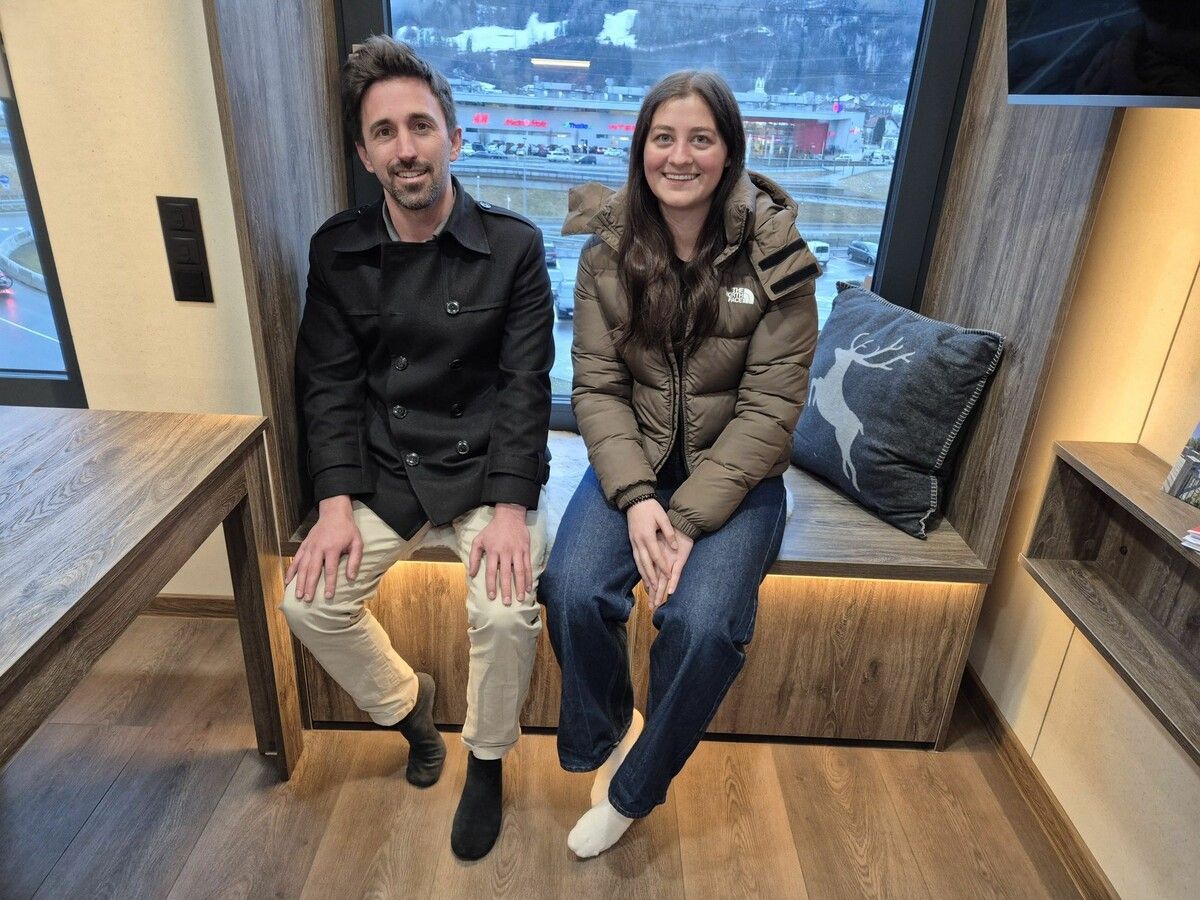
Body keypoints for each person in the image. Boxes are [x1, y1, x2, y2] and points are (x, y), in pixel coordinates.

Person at [282, 36, 554, 861]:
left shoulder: (514, 244)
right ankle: (409, 710)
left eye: (422, 126)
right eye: (386, 133)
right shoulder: (338, 249)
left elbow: (525, 387)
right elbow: (325, 383)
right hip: (386, 464)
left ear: (454, 137)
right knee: (305, 602)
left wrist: (513, 509)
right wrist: (332, 505)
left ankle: (488, 760)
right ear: (366, 155)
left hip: (483, 469)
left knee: (507, 613)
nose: (407, 148)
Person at [540, 70, 820, 858]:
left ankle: (634, 792)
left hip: (741, 479)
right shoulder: (605, 249)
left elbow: (771, 412)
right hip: (636, 465)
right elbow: (594, 386)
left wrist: (689, 519)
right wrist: (634, 498)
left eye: (701, 138)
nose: (680, 155)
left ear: (728, 150)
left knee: (700, 625)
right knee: (568, 587)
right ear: (641, 148)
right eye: (664, 137)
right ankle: (609, 729)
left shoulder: (777, 257)